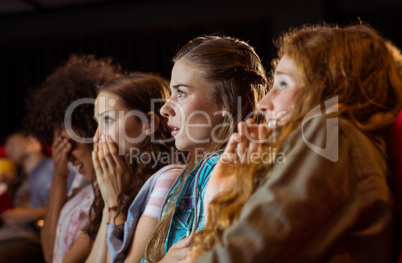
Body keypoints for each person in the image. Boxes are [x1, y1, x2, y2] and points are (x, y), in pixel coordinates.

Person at [183, 24, 402, 263]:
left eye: (284, 84)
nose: (263, 104)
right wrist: (225, 195)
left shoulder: (330, 133)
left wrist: (221, 203)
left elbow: (239, 256)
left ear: (328, 87)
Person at [143, 35, 267, 263]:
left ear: (225, 103)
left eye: (181, 93)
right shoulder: (193, 171)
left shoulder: (218, 168)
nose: (165, 109)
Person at [25, 54, 123, 263]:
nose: (65, 154)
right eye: (58, 144)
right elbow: (49, 252)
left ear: (92, 131)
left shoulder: (113, 187)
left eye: (68, 142)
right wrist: (59, 175)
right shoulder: (82, 183)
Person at [88, 72, 185, 263]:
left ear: (148, 123)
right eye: (97, 123)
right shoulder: (124, 180)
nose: (96, 137)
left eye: (107, 120)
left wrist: (115, 205)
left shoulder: (167, 180)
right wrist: (111, 202)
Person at [0, 131, 65, 263]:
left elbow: (75, 203)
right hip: (7, 237)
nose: (7, 149)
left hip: (29, 239)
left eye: (12, 143)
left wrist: (32, 214)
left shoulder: (55, 169)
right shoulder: (20, 179)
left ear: (33, 143)